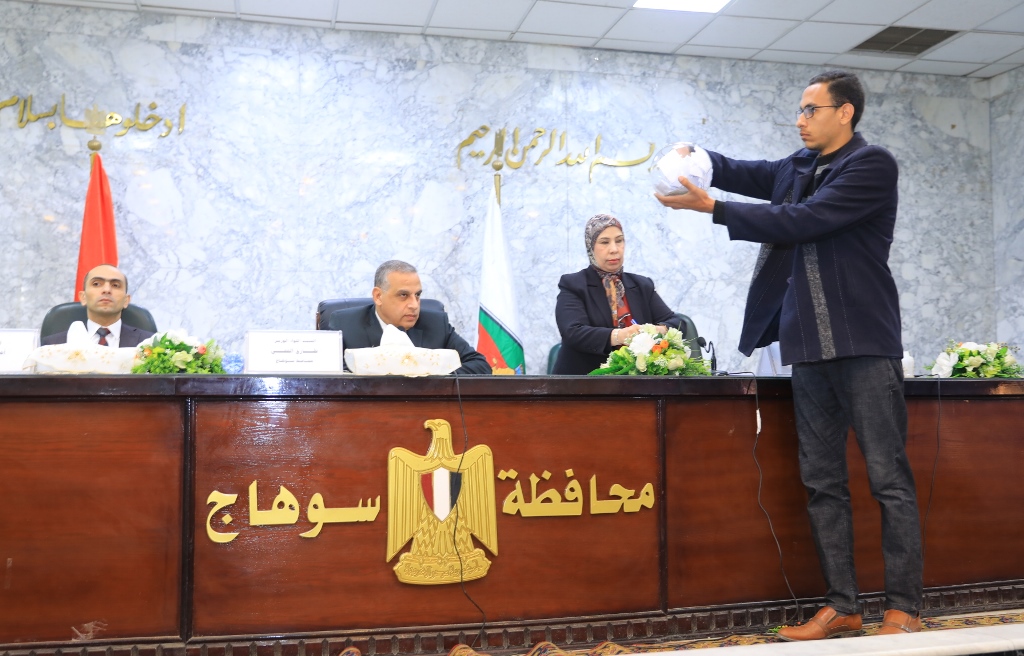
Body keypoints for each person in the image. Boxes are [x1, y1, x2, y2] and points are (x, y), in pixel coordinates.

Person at [656, 70, 922, 640]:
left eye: (810, 110)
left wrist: (713, 208)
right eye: (800, 110)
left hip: (864, 344)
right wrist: (697, 157)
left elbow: (807, 219)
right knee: (822, 481)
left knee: (888, 479)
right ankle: (843, 605)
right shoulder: (797, 167)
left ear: (845, 112)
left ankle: (904, 607)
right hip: (807, 346)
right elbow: (746, 171)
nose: (800, 120)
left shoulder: (871, 165)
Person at [552, 214, 682, 375]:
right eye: (604, 242)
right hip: (584, 381)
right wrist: (620, 336)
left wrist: (654, 330)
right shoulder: (574, 284)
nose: (614, 249)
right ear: (590, 246)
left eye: (619, 241)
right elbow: (573, 332)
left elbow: (677, 322)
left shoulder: (641, 285)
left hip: (636, 382)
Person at [328, 260, 490, 375]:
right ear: (378, 296)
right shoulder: (344, 325)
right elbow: (328, 376)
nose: (414, 305)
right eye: (403, 295)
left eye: (417, 295)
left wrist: (434, 380)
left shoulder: (436, 324)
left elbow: (480, 366)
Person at [42, 264, 154, 348]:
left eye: (115, 285)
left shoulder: (150, 344)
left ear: (126, 300)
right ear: (83, 297)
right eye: (96, 284)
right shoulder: (53, 345)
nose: (106, 290)